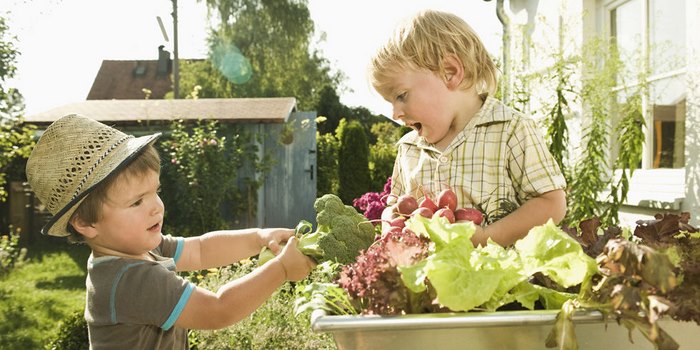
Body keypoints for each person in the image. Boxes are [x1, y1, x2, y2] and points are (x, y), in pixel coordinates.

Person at [25, 114, 315, 349]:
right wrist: (281, 271)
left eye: (156, 192)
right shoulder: (130, 280)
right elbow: (218, 310)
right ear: (86, 224)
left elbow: (201, 249)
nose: (156, 208)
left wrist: (258, 238)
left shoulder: (139, 251)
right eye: (137, 201)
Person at [369, 10, 567, 247]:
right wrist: (390, 220)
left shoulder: (511, 130)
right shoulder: (409, 149)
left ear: (450, 72)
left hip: (497, 278)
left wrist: (486, 238)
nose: (395, 114)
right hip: (428, 280)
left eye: (401, 96)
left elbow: (551, 204)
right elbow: (394, 207)